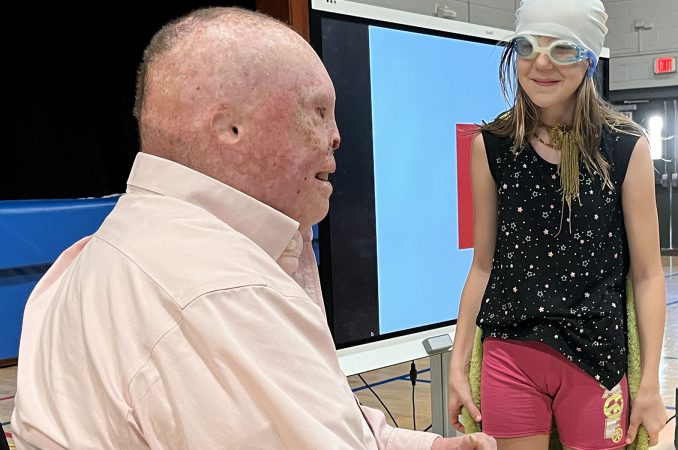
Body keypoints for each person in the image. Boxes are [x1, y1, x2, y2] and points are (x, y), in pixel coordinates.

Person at [11, 7, 495, 450]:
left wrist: (426, 446)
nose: (336, 135)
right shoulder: (220, 294)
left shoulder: (120, 248)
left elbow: (319, 418)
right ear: (230, 129)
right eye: (317, 111)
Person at [449, 0, 668, 449]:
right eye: (528, 46)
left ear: (589, 58)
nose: (541, 63)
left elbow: (647, 275)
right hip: (510, 354)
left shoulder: (626, 148)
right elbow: (483, 265)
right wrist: (458, 360)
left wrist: (649, 384)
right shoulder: (491, 146)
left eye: (562, 49)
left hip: (597, 359)